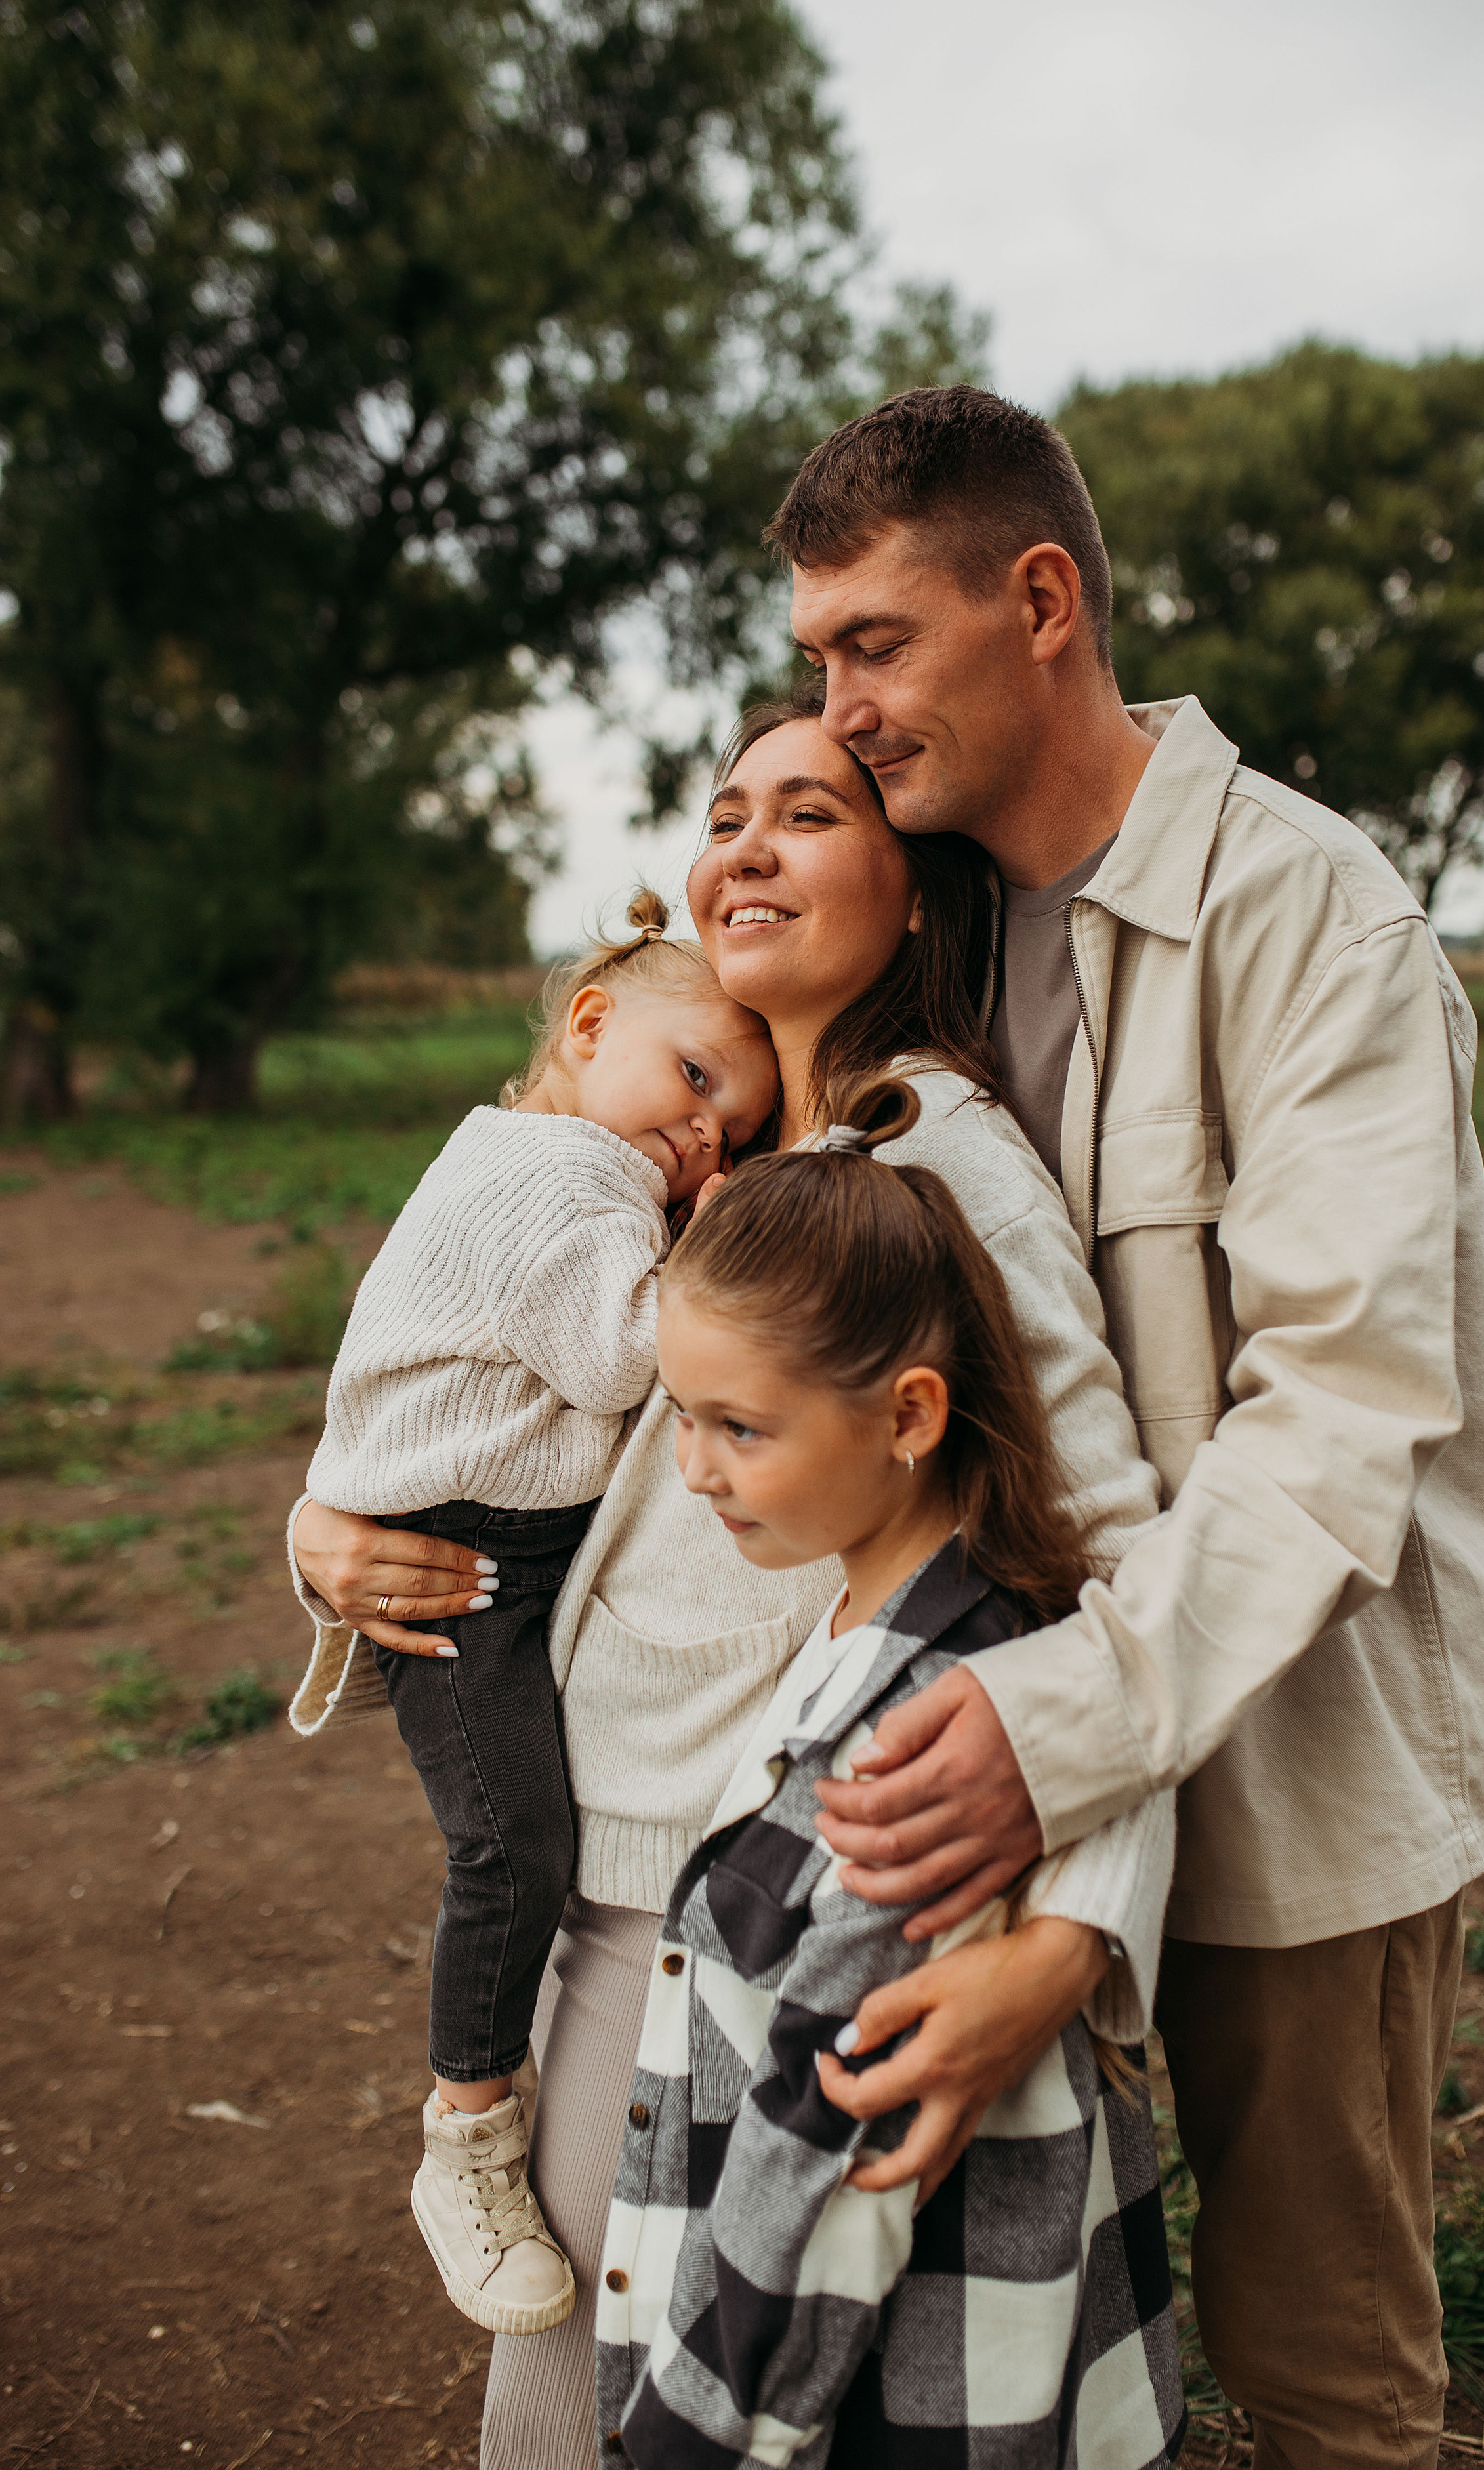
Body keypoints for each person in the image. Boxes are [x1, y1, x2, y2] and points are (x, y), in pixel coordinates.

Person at [756, 384, 1484, 2469]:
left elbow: (1345, 1409)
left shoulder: (1311, 915)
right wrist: (367, 1516)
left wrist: (1067, 1729)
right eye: (815, 658)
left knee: (1317, 2361)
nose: (837, 711)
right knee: (1002, 2336)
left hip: (1286, 1764)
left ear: (1042, 603)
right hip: (978, 1769)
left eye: (874, 645)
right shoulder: (906, 917)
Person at [289, 700, 1176, 2469]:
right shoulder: (686, 1167)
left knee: (639, 2413)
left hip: (754, 1903)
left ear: (916, 890)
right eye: (723, 813)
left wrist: (1078, 1929)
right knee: (585, 2395)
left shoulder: (928, 1161)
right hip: (616, 1886)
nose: (747, 846)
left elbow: (1108, 1559)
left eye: (813, 813)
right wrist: (329, 1530)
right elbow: (492, 1396)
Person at [597, 1070, 1184, 2469]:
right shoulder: (878, 1628)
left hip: (886, 2402)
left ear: (909, 1415)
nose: (696, 1470)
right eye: (680, 1414)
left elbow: (825, 2159)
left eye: (740, 1427)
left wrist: (689, 2436)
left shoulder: (919, 1738)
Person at [288, 892, 779, 2337]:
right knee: (513, 1849)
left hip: (503, 1552)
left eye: (733, 1133)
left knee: (535, 1839)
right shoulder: (559, 1175)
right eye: (694, 1080)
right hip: (464, 1569)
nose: (705, 1140)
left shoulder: (557, 1161)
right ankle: (469, 2141)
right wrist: (721, 1238)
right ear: (588, 1025)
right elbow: (622, 1357)